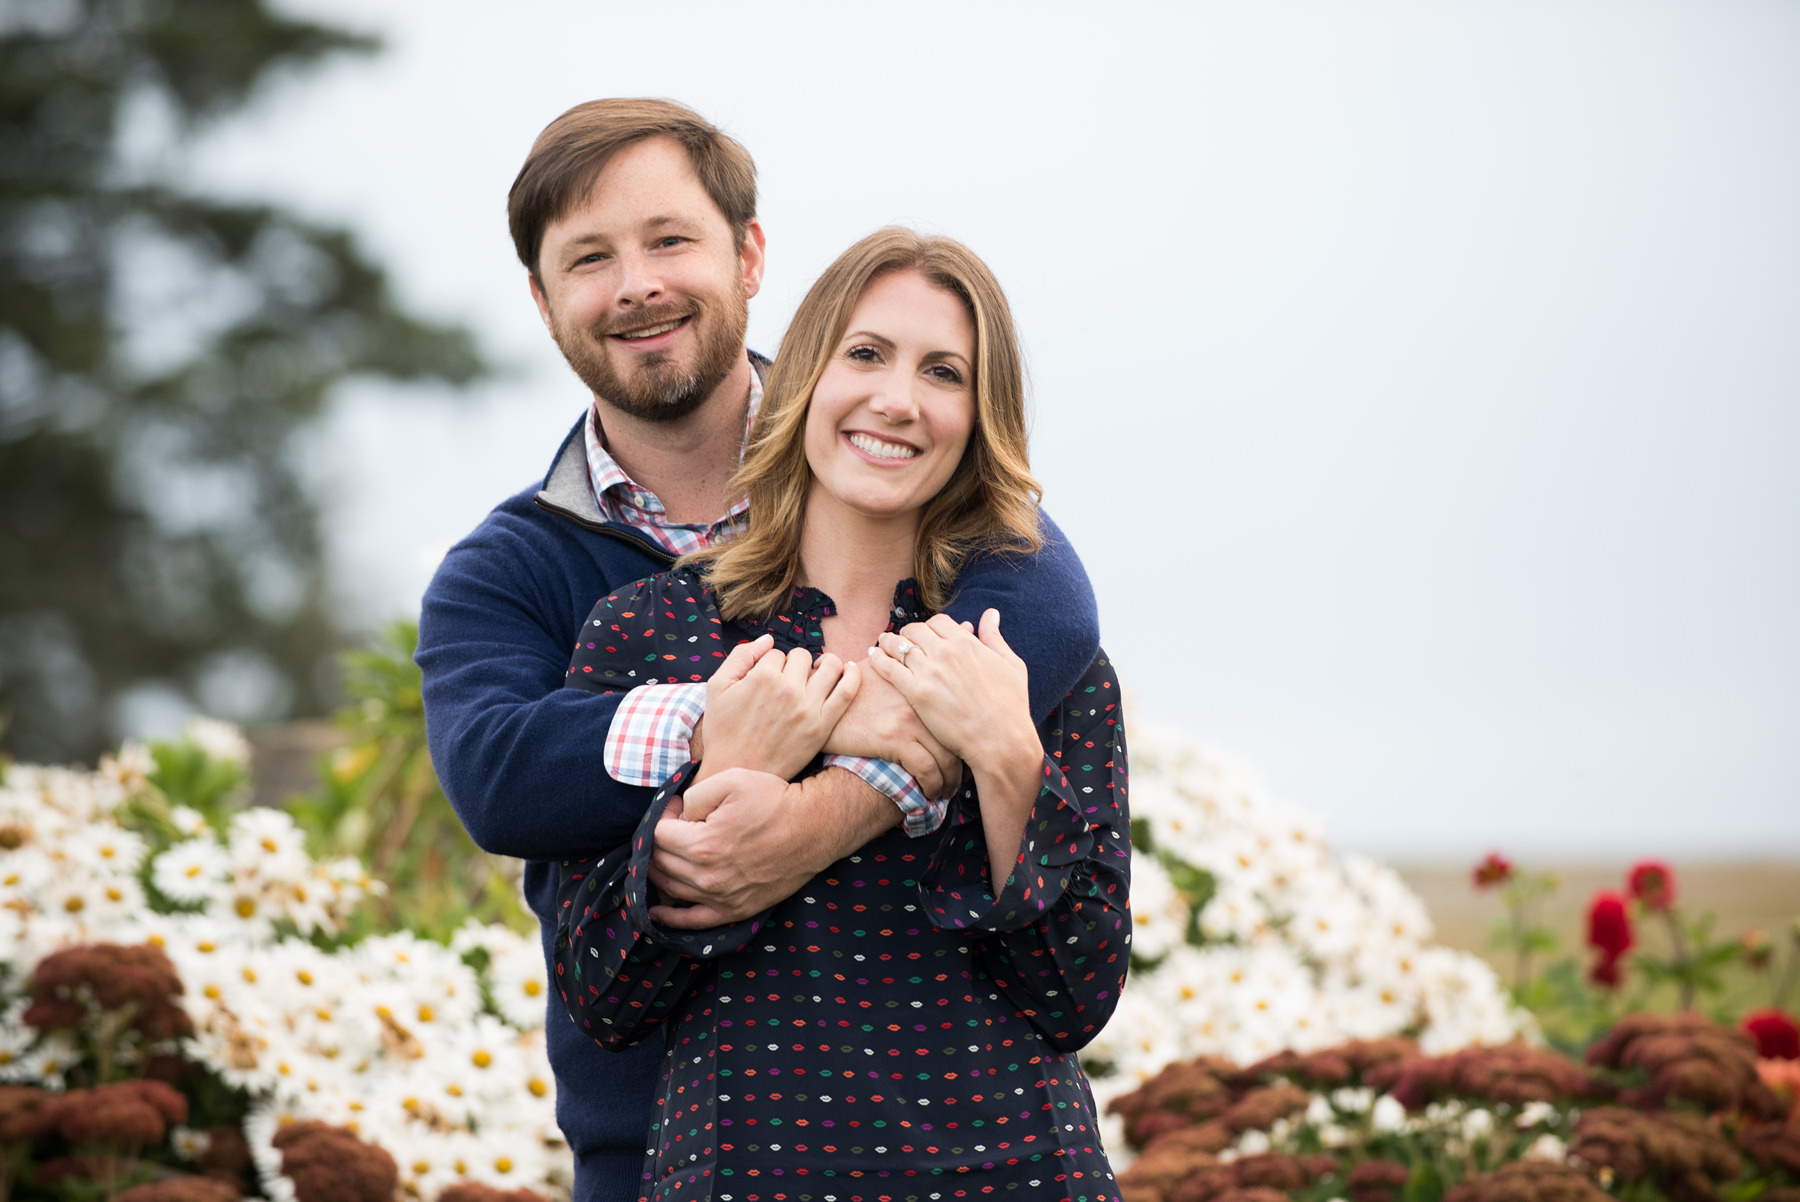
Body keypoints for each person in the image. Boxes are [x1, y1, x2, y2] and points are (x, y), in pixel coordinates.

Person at [416, 100, 1102, 1201]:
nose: (636, 282)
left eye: (669, 239)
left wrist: (829, 806)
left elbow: (1051, 607)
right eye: (589, 259)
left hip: (974, 1149)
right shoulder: (513, 573)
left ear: (749, 256)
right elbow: (501, 775)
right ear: (543, 303)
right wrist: (757, 724)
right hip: (661, 1154)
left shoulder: (890, 455)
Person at [554, 228, 1128, 1200]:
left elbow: (1077, 993)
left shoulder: (1031, 661)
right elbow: (602, 992)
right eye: (866, 354)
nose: (897, 399)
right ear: (806, 377)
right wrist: (717, 776)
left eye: (943, 372)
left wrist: (1003, 754)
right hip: (745, 1174)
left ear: (978, 416)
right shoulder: (648, 633)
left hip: (1016, 1174)